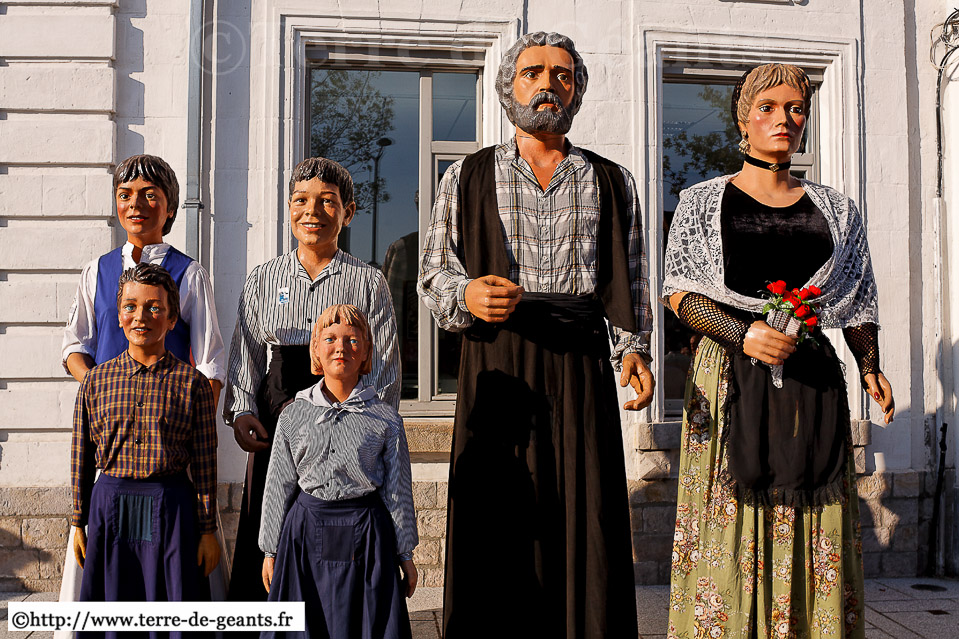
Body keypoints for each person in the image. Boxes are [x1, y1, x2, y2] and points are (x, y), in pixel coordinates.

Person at [417, 31, 654, 639]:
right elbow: (432, 274)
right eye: (533, 73)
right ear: (508, 88)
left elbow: (630, 276)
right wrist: (466, 294)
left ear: (576, 92)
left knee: (585, 512)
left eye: (562, 75)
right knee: (496, 515)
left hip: (581, 363)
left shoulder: (612, 180)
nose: (548, 84)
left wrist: (633, 349)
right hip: (496, 366)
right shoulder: (463, 177)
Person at [663, 63, 895, 639]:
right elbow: (679, 293)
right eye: (767, 107)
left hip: (811, 380)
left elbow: (856, 297)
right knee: (733, 510)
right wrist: (742, 333)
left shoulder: (837, 210)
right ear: (743, 118)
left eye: (795, 108)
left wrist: (869, 364)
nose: (783, 119)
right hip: (727, 378)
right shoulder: (702, 202)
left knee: (815, 500)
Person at [224, 157, 400, 604]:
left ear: (348, 212)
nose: (312, 211)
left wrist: (374, 427)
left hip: (348, 414)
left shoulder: (369, 282)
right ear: (288, 208)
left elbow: (384, 367)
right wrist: (242, 409)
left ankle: (339, 615)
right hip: (277, 416)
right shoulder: (263, 279)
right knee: (271, 523)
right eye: (301, 200)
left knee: (339, 524)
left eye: (327, 201)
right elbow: (246, 352)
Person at [58, 154, 227, 618]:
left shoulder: (190, 274)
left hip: (168, 466)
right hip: (112, 458)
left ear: (169, 207)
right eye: (126, 195)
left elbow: (210, 363)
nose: (136, 205)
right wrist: (106, 392)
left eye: (151, 195)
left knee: (174, 584)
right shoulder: (96, 271)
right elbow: (74, 345)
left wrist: (184, 429)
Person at [259, 304, 417, 639]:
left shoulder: (386, 420)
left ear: (366, 352)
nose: (341, 347)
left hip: (367, 536)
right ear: (315, 349)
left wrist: (405, 554)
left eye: (352, 340)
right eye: (330, 338)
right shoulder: (292, 416)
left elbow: (398, 491)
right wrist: (270, 550)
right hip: (304, 534)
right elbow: (278, 485)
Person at [71, 263, 219, 619]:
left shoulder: (193, 384)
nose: (141, 317)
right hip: (109, 507)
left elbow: (205, 463)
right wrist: (77, 520)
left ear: (172, 319)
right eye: (131, 306)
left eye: (155, 307)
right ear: (119, 316)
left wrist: (207, 530)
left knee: (171, 607)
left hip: (171, 508)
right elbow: (81, 454)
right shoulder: (95, 382)